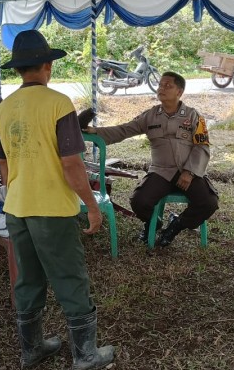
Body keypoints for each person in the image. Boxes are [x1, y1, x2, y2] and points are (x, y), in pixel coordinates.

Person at [0, 29, 114, 370]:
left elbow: (2, 164)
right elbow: (71, 164)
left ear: (19, 69)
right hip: (51, 210)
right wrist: (91, 205)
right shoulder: (58, 103)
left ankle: (31, 349)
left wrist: (21, 186)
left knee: (28, 278)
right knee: (70, 277)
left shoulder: (4, 109)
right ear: (47, 65)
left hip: (17, 207)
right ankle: (85, 355)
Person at [84, 71, 218, 247]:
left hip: (188, 171)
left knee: (209, 203)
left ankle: (177, 225)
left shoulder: (193, 116)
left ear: (180, 92)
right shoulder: (150, 115)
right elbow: (124, 130)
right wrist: (96, 131)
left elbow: (202, 145)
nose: (161, 88)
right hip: (161, 171)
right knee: (139, 201)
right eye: (160, 85)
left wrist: (190, 172)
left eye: (168, 86)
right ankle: (154, 223)